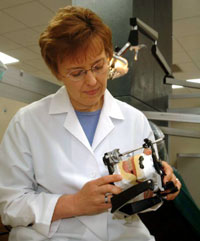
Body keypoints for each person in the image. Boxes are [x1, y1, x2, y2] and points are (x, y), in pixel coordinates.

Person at [0, 5, 181, 241]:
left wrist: (160, 187)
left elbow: (142, 197)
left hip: (123, 234)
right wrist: (74, 203)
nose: (92, 80)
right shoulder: (27, 122)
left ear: (109, 58)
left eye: (98, 66)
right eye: (77, 73)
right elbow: (10, 206)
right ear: (57, 73)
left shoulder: (134, 120)